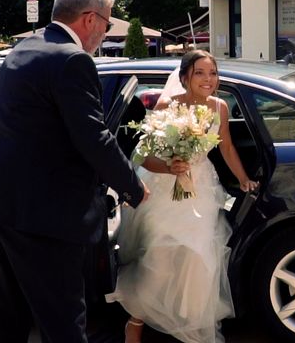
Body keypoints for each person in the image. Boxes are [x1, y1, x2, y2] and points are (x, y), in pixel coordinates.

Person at [0, 0, 149, 342]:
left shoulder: (23, 50)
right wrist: (134, 186)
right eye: (108, 24)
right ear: (90, 19)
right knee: (63, 321)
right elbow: (93, 137)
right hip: (43, 216)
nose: (106, 34)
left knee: (9, 314)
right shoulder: (73, 60)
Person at [107, 49, 259, 343]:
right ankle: (136, 319)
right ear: (185, 76)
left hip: (202, 189)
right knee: (160, 259)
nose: (208, 79)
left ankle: (191, 326)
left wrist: (243, 179)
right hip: (165, 191)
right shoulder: (168, 106)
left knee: (198, 257)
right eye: (200, 73)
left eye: (212, 73)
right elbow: (142, 156)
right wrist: (169, 167)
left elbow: (226, 147)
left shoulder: (220, 108)